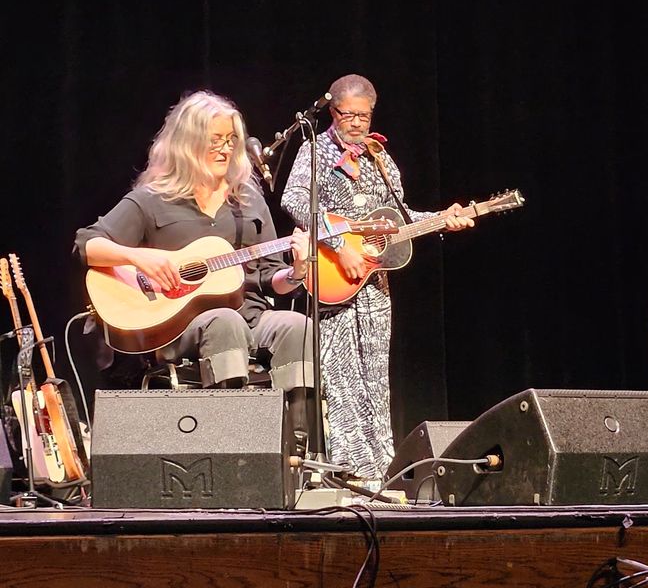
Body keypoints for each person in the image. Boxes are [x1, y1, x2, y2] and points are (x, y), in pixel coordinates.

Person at [74, 90, 321, 456]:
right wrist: (141, 259)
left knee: (299, 327)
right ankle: (234, 453)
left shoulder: (249, 202)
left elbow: (272, 277)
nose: (225, 149)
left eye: (231, 140)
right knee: (223, 321)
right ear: (188, 144)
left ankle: (297, 456)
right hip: (180, 326)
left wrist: (298, 271)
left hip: (249, 315)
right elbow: (87, 245)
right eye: (215, 141)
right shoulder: (152, 198)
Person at [281, 73, 474, 483]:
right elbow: (294, 200)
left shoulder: (381, 159)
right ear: (332, 111)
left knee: (375, 377)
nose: (355, 123)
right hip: (333, 277)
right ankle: (350, 470)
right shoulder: (313, 151)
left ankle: (380, 470)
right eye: (347, 114)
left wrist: (443, 220)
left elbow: (399, 220)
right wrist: (339, 246)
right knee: (342, 376)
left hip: (374, 284)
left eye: (363, 116)